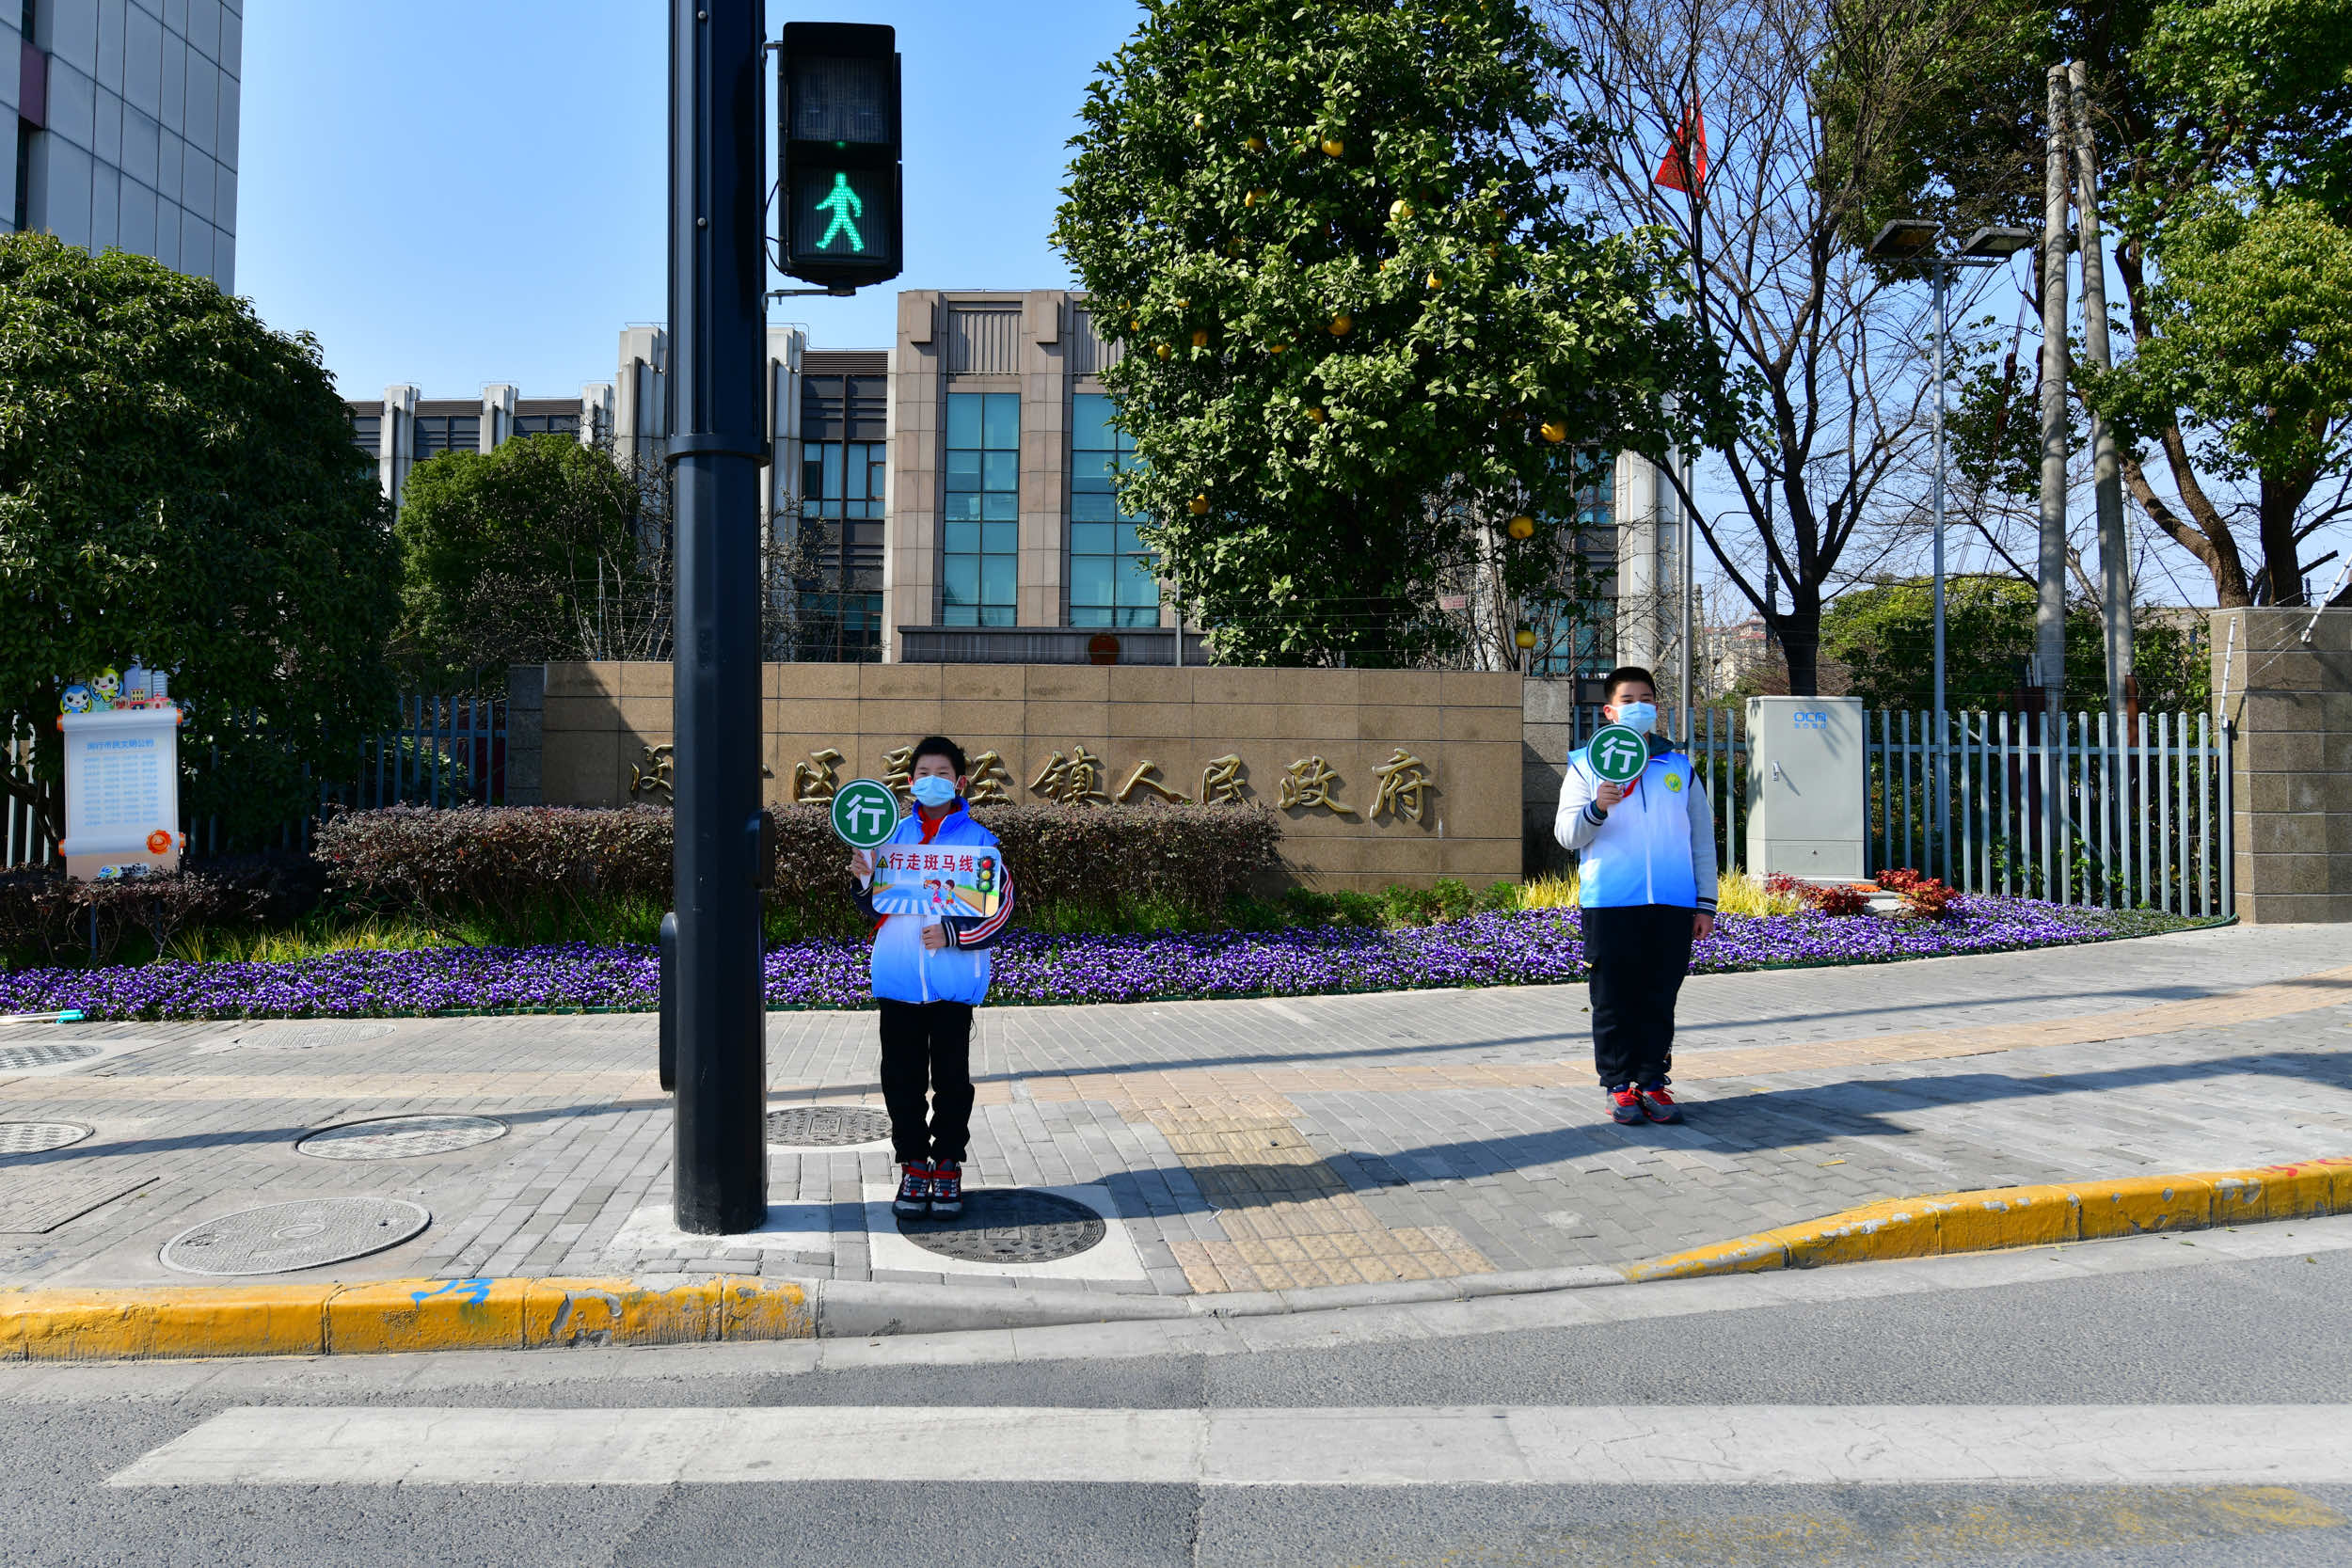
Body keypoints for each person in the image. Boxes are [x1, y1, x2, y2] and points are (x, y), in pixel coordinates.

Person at [850, 736, 1014, 1218]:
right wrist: (864, 874)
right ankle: (913, 1164)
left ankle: (947, 1165)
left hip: (951, 983)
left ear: (961, 782)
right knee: (900, 1078)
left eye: (942, 772)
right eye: (924, 772)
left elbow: (999, 907)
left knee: (951, 1080)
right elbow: (872, 905)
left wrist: (953, 935)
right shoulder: (891, 836)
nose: (932, 780)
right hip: (899, 978)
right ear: (910, 781)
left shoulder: (979, 841)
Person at [1554, 667, 1717, 1125]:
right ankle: (1618, 1085)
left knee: (1659, 996)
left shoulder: (1677, 766)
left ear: (1656, 709)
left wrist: (1705, 903)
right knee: (1612, 997)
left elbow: (1700, 841)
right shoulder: (1586, 764)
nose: (1638, 706)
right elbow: (1567, 834)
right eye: (1628, 700)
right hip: (1610, 902)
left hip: (1672, 902)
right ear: (1609, 711)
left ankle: (1652, 1081)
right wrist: (1598, 806)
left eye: (1646, 699)